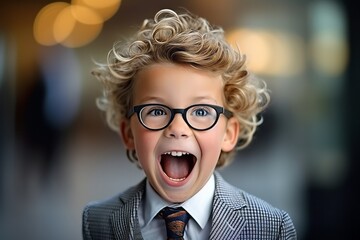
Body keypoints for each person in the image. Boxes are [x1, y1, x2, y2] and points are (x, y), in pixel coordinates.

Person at [82, 8, 297, 240]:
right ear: (128, 134)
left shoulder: (272, 228)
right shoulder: (98, 220)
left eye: (202, 111)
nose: (177, 128)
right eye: (156, 111)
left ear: (229, 133)